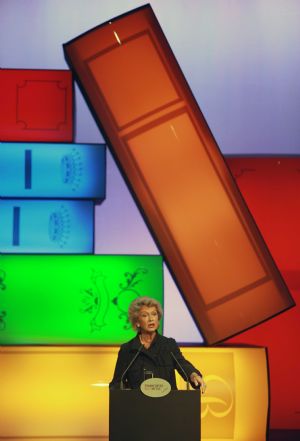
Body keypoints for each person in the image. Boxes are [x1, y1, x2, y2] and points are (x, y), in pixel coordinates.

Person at [109, 296, 206, 392]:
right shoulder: (127, 349)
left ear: (158, 319)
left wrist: (193, 375)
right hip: (139, 405)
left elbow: (182, 364)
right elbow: (117, 382)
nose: (151, 319)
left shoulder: (168, 345)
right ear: (137, 322)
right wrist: (128, 393)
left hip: (167, 404)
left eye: (154, 314)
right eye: (145, 315)